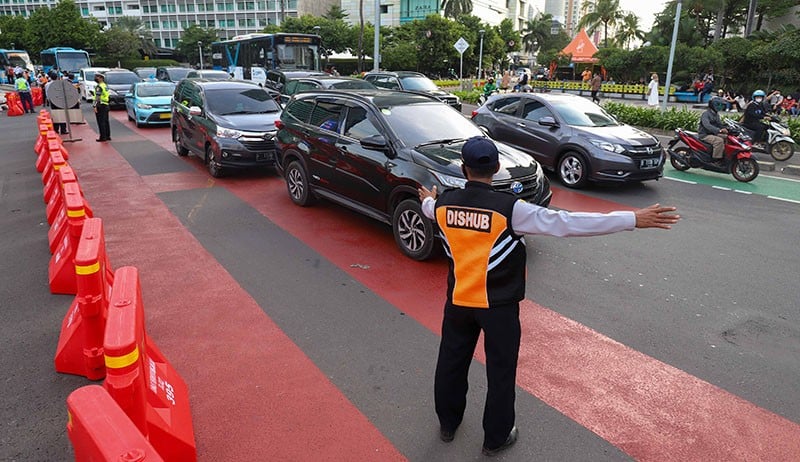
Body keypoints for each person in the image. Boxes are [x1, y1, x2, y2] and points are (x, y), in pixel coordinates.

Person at [417, 137, 680, 458]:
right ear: (497, 168)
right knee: (500, 372)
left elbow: (428, 209)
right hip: (498, 307)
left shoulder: (444, 205)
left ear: (463, 168)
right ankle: (495, 438)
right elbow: (567, 224)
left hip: (457, 302)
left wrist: (428, 200)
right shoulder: (512, 210)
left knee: (450, 362)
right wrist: (632, 219)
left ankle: (448, 424)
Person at [698, 97, 728, 164]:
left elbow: (719, 124)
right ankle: (716, 160)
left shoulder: (716, 114)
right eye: (719, 105)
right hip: (705, 135)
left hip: (713, 134)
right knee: (719, 141)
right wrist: (719, 130)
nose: (720, 107)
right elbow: (707, 125)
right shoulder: (706, 114)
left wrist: (727, 128)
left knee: (727, 138)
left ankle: (724, 156)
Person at [93, 73, 111, 142]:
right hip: (106, 104)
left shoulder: (99, 86)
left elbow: (97, 97)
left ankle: (103, 137)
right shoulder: (105, 85)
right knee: (106, 121)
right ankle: (107, 135)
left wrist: (94, 105)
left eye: (97, 77)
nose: (96, 78)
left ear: (101, 78)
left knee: (101, 122)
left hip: (100, 105)